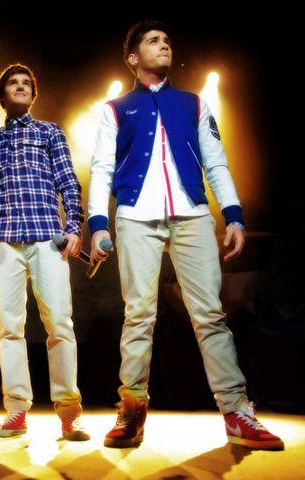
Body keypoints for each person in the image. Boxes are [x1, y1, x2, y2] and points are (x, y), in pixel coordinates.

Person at [88, 19, 284, 450]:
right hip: (136, 217)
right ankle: (132, 410)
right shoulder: (116, 108)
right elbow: (101, 168)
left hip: (192, 216)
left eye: (167, 40)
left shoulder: (194, 103)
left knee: (210, 315)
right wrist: (98, 224)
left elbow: (216, 163)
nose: (164, 45)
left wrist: (234, 216)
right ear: (133, 58)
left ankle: (236, 410)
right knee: (139, 315)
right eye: (153, 41)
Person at [0, 64, 89, 441]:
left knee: (59, 322)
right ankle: (16, 410)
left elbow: (68, 182)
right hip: (3, 236)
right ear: (2, 95)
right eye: (13, 83)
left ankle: (69, 412)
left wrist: (74, 226)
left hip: (47, 236)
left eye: (27, 83)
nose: (20, 87)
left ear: (34, 94)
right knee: (9, 327)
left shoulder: (49, 132)